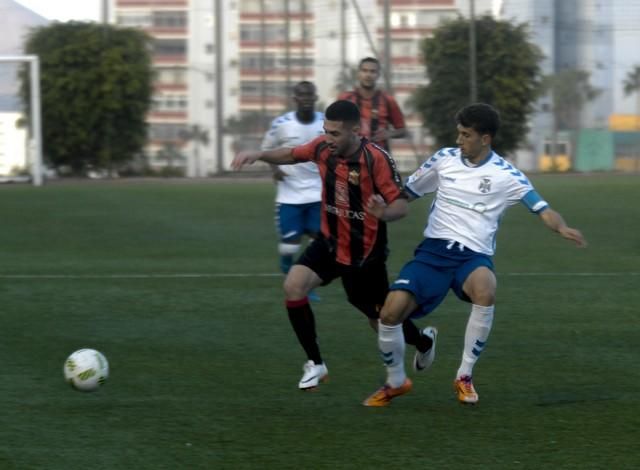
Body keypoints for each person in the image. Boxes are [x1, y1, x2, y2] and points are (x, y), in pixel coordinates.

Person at [363, 103, 587, 407]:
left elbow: (542, 208)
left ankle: (464, 376)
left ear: (485, 138)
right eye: (458, 133)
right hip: (433, 253)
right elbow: (407, 195)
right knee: (388, 313)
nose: (459, 140)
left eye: (466, 135)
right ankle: (396, 380)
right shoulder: (443, 160)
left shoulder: (506, 175)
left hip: (472, 257)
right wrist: (384, 211)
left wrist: (561, 227)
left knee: (486, 289)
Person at [232, 100, 433, 391]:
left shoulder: (376, 159)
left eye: (336, 133)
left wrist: (384, 213)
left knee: (379, 318)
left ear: (356, 130)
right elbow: (291, 153)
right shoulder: (322, 148)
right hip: (329, 242)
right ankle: (316, 364)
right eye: (326, 131)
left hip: (364, 254)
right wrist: (260, 154)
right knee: (293, 286)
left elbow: (401, 205)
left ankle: (423, 342)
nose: (329, 138)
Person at [261, 81, 324, 297]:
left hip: (318, 192)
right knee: (290, 247)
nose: (306, 99)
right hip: (290, 194)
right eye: (301, 95)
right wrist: (274, 169)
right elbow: (267, 149)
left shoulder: (325, 123)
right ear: (295, 99)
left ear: (315, 98)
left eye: (310, 95)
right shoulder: (281, 124)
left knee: (319, 243)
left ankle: (306, 287)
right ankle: (287, 265)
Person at [338, 57, 407, 151]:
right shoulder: (346, 98)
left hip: (379, 158)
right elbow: (332, 127)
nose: (368, 75)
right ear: (358, 74)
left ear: (378, 75)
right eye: (364, 71)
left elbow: (402, 130)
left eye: (372, 71)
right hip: (350, 158)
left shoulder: (387, 100)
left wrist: (388, 134)